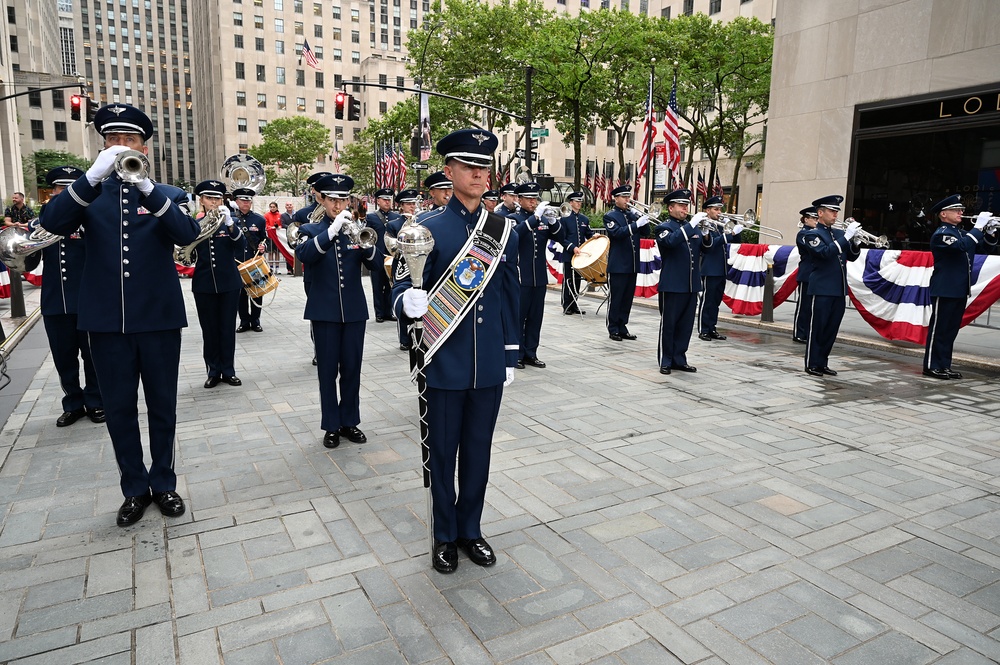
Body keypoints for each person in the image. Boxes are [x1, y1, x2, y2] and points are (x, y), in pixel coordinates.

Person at [42, 103, 200, 526]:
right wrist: (90, 177)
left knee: (163, 405)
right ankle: (134, 488)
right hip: (107, 322)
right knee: (118, 408)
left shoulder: (165, 193)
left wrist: (148, 187)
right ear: (102, 146)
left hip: (160, 319)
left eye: (128, 140)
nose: (119, 147)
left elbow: (187, 235)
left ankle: (164, 483)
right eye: (112, 140)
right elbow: (51, 223)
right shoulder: (88, 193)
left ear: (144, 146)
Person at [392, 128, 519, 574]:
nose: (478, 174)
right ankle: (444, 535)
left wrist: (508, 356)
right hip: (443, 360)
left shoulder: (503, 230)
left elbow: (507, 295)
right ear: (448, 171)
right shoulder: (423, 229)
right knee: (443, 453)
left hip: (487, 366)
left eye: (484, 167)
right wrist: (405, 302)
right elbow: (402, 285)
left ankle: (471, 530)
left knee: (479, 451)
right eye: (468, 166)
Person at [295, 173, 380, 449]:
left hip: (354, 311)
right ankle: (331, 425)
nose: (339, 204)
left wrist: (365, 244)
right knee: (327, 372)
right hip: (325, 312)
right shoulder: (311, 230)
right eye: (333, 199)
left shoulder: (357, 228)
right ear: (322, 199)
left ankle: (350, 421)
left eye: (343, 198)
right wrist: (330, 232)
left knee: (352, 370)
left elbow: (377, 265)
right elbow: (305, 256)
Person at [32, 166, 104, 427]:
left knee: (92, 356)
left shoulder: (91, 217)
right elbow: (29, 263)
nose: (66, 193)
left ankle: (96, 401)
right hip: (55, 300)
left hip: (87, 300)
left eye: (71, 187)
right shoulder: (43, 219)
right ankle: (73, 402)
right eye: (61, 188)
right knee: (63, 357)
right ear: (53, 192)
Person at [923, 195, 989, 379]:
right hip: (944, 289)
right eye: (956, 210)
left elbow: (984, 248)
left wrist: (989, 232)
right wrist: (977, 228)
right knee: (939, 329)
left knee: (950, 331)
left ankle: (944, 365)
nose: (961, 212)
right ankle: (931, 365)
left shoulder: (961, 233)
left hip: (959, 289)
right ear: (944, 214)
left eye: (961, 210)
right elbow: (961, 247)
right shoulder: (942, 234)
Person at [191, 180, 245, 388]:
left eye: (217, 198)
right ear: (202, 200)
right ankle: (213, 371)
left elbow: (240, 246)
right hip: (204, 283)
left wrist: (231, 223)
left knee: (226, 328)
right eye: (209, 198)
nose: (214, 202)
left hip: (229, 283)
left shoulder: (229, 223)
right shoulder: (195, 223)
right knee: (209, 330)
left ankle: (228, 370)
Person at [799, 195, 861, 377]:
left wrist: (855, 242)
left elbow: (852, 256)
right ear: (820, 213)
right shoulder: (812, 234)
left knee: (831, 330)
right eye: (832, 211)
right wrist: (846, 238)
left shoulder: (839, 234)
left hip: (838, 288)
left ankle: (822, 362)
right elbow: (824, 253)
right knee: (817, 328)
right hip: (821, 288)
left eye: (836, 212)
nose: (835, 215)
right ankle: (812, 363)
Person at [654, 188, 711, 374]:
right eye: (681, 205)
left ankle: (680, 358)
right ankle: (666, 359)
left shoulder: (692, 227)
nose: (685, 208)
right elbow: (670, 242)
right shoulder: (663, 228)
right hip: (672, 284)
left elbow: (706, 249)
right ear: (670, 208)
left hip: (691, 284)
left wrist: (706, 234)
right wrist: (691, 225)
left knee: (686, 325)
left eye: (686, 205)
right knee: (669, 324)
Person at [511, 181, 564, 368]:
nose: (533, 202)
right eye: (529, 198)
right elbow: (515, 235)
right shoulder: (513, 218)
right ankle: (516, 353)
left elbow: (560, 237)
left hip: (539, 277)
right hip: (521, 276)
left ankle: (531, 353)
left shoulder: (541, 219)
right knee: (519, 317)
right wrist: (535, 218)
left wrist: (553, 221)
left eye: (535, 198)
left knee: (536, 317)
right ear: (519, 199)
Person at [603, 185, 647, 341]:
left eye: (629, 197)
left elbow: (646, 232)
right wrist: (636, 224)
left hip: (632, 264)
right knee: (617, 298)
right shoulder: (610, 216)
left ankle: (623, 326)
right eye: (624, 197)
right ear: (616, 198)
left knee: (627, 298)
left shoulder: (632, 215)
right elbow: (617, 234)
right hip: (618, 265)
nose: (628, 200)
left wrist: (642, 219)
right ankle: (613, 327)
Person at [697, 196, 743, 341]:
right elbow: (710, 244)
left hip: (721, 268)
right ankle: (703, 329)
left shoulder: (719, 225)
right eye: (716, 209)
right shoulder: (703, 224)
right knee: (707, 301)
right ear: (707, 210)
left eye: (720, 209)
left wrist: (736, 230)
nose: (719, 212)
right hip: (709, 268)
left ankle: (712, 328)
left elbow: (735, 241)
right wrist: (728, 234)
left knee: (716, 301)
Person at [387, 189, 420, 351]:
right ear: (401, 206)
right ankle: (404, 339)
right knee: (404, 300)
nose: (412, 207)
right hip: (401, 266)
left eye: (414, 203)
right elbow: (390, 248)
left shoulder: (422, 220)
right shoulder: (393, 224)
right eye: (408, 204)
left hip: (419, 264)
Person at [232, 188, 267, 333]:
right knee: (241, 294)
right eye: (243, 200)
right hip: (237, 261)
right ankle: (244, 321)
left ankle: (256, 320)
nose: (246, 203)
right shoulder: (230, 220)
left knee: (257, 292)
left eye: (248, 200)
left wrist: (263, 246)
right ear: (236, 201)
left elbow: (265, 239)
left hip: (254, 261)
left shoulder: (259, 219)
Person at [366, 188, 398, 323]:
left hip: (392, 256)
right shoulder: (371, 217)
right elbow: (367, 235)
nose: (387, 202)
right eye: (384, 200)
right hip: (378, 255)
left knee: (390, 285)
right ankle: (379, 313)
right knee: (378, 286)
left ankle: (388, 312)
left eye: (389, 199)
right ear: (378, 201)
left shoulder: (395, 216)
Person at [560, 191, 593, 315]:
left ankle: (574, 304)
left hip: (580, 256)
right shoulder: (565, 218)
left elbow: (588, 234)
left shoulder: (584, 219)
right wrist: (572, 247)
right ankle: (566, 305)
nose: (579, 203)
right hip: (569, 254)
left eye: (580, 201)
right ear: (571, 203)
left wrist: (595, 237)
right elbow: (562, 238)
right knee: (568, 280)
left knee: (577, 280)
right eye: (577, 201)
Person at [792, 206, 818, 344]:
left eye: (817, 218)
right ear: (806, 219)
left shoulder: (816, 232)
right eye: (813, 218)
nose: (816, 220)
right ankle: (799, 333)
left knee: (813, 307)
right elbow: (812, 249)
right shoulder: (803, 234)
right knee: (804, 306)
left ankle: (808, 332)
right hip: (806, 273)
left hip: (815, 274)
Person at [263, 201, 283, 273]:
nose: (272, 208)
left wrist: (279, 227)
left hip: (277, 236)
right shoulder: (266, 215)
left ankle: (277, 267)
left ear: (277, 207)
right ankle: (271, 267)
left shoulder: (280, 215)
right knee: (270, 252)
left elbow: (281, 224)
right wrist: (271, 227)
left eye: (274, 207)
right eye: (271, 207)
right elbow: (266, 224)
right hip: (270, 236)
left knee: (277, 252)